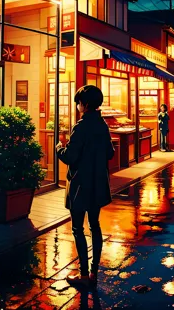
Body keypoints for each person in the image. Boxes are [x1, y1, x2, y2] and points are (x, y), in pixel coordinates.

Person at [56, 85, 114, 288]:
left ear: (85, 104)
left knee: (77, 228)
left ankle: (83, 274)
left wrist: (59, 148)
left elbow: (70, 156)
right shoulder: (102, 125)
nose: (78, 105)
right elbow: (110, 153)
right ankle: (94, 273)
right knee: (95, 226)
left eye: (79, 102)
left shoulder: (80, 127)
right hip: (98, 183)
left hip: (80, 184)